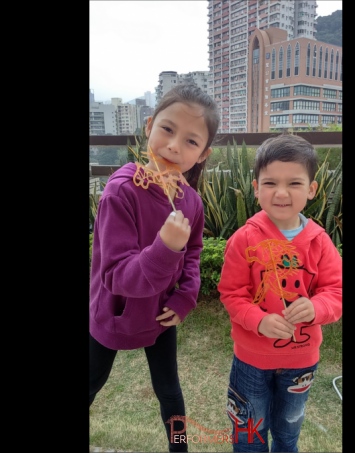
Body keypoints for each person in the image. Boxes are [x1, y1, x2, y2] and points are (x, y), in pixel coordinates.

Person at [89, 83, 220, 453]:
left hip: (160, 316)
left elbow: (193, 255)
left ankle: (180, 448)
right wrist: (164, 248)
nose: (175, 146)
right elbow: (115, 274)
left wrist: (184, 299)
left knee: (170, 393)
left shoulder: (190, 202)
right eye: (167, 129)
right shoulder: (121, 192)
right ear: (149, 126)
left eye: (191, 142)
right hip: (113, 314)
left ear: (203, 153)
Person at [217, 134, 342, 452]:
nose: (282, 193)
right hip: (250, 360)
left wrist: (316, 308)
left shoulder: (320, 241)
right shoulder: (243, 239)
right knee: (248, 436)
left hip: (302, 361)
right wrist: (257, 320)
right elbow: (232, 294)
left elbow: (336, 291)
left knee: (287, 435)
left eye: (295, 183)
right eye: (270, 183)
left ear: (312, 190)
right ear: (256, 188)